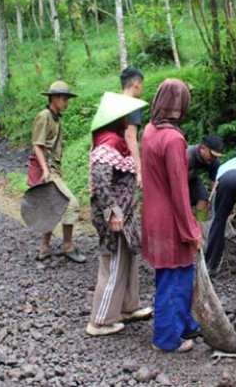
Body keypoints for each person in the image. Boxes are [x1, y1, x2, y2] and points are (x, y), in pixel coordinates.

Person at [141, 79, 202, 353]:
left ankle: (185, 324)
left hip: (152, 214)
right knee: (176, 277)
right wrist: (191, 231)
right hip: (170, 219)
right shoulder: (174, 139)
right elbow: (179, 190)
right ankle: (166, 338)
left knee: (171, 274)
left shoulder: (149, 131)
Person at [86, 92, 153, 337]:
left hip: (123, 214)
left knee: (128, 258)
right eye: (124, 116)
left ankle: (127, 307)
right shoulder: (108, 143)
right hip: (113, 215)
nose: (128, 120)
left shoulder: (114, 141)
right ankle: (100, 320)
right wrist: (113, 213)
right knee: (113, 262)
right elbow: (100, 182)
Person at [31, 81, 86, 263]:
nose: (66, 103)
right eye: (64, 99)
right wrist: (46, 170)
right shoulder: (44, 116)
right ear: (53, 98)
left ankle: (44, 249)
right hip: (47, 169)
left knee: (52, 207)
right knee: (71, 203)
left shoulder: (56, 117)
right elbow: (37, 146)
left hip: (54, 168)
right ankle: (67, 245)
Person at [186, 135, 224, 220]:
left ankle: (200, 225)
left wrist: (213, 201)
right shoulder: (188, 156)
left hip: (192, 179)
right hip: (173, 180)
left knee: (203, 200)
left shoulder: (214, 162)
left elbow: (214, 185)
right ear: (203, 148)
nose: (214, 158)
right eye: (212, 155)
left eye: (216, 156)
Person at [120, 67, 146, 187]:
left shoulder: (112, 102)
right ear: (137, 84)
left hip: (105, 159)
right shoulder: (133, 105)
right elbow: (130, 135)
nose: (142, 89)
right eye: (142, 85)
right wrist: (138, 169)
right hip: (123, 162)